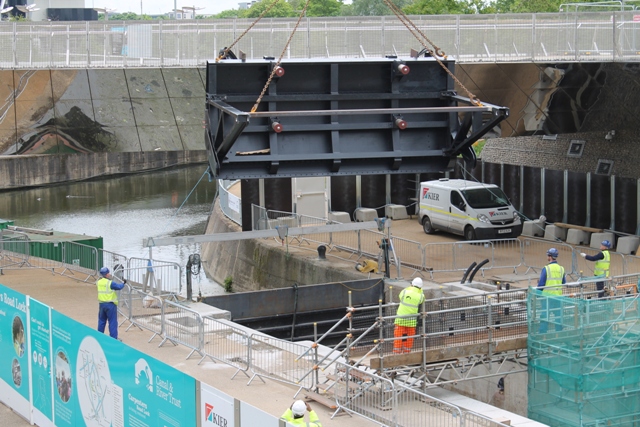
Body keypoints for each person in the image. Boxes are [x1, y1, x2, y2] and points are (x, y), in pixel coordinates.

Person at [393, 277, 425, 354]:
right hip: (411, 321)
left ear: (412, 284)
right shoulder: (420, 295)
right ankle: (407, 352)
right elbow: (421, 301)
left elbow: (400, 297)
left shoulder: (405, 291)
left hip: (400, 319)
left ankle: (396, 353)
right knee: (409, 338)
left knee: (398, 336)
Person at [537, 248, 566, 333]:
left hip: (547, 297)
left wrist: (537, 294)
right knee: (558, 316)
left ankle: (542, 333)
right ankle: (559, 333)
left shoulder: (546, 268)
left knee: (545, 316)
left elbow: (541, 284)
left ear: (550, 257)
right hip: (558, 297)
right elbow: (563, 282)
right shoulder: (561, 268)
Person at [96, 267, 126, 340]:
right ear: (106, 274)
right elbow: (119, 287)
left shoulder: (98, 282)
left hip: (102, 304)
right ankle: (113, 339)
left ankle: (99, 337)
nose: (109, 274)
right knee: (112, 322)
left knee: (101, 321)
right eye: (108, 273)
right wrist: (124, 283)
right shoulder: (110, 283)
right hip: (110, 304)